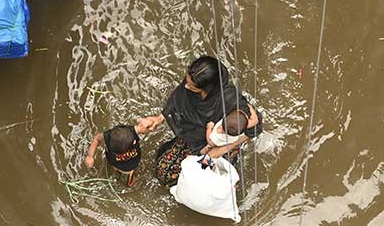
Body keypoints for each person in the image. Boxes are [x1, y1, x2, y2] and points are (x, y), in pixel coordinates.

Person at [139, 56, 263, 187]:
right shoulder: (193, 82)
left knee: (200, 180)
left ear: (208, 88)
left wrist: (221, 150)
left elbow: (256, 126)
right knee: (163, 172)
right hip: (194, 137)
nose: (186, 86)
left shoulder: (230, 100)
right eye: (187, 82)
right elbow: (178, 97)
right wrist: (159, 118)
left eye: (192, 87)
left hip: (218, 147)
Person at [84, 119, 154, 186]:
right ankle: (128, 173)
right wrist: (90, 156)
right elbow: (96, 139)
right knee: (117, 168)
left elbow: (147, 125)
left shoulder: (133, 131)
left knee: (129, 170)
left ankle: (130, 173)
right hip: (118, 162)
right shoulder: (108, 135)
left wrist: (145, 123)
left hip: (132, 161)